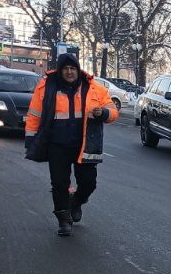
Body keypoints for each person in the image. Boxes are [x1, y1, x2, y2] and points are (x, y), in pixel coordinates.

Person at [24, 53, 118, 236]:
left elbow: (112, 110)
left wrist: (104, 113)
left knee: (89, 183)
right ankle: (63, 219)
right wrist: (31, 138)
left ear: (78, 69)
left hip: (85, 145)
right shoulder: (46, 87)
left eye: (72, 68)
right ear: (60, 70)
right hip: (57, 144)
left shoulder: (93, 88)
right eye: (65, 68)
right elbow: (34, 114)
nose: (69, 72)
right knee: (59, 184)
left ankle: (75, 203)